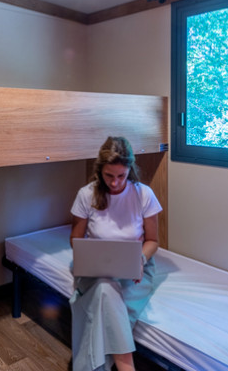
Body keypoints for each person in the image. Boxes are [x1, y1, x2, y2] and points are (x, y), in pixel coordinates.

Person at [69, 136, 162, 371]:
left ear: (130, 170)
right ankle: (126, 366)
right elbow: (76, 241)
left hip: (135, 267)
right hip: (96, 267)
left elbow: (152, 241)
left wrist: (140, 259)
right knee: (104, 287)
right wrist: (91, 258)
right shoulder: (86, 194)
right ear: (100, 170)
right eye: (108, 175)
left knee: (105, 296)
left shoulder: (143, 194)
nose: (114, 182)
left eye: (121, 176)